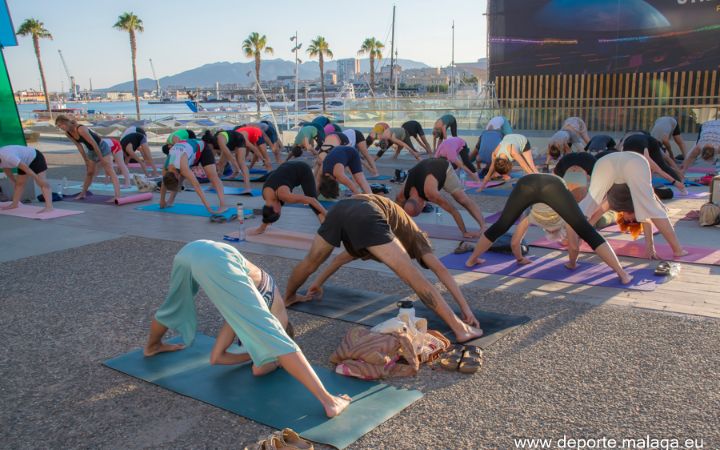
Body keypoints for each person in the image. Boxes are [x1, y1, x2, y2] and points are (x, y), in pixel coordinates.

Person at [143, 240, 351, 418]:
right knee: (277, 340)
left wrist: (251, 355)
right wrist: (274, 358)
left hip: (192, 250)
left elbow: (217, 358)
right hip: (218, 259)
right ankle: (330, 402)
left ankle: (152, 347)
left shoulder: (238, 307)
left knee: (173, 305)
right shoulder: (275, 315)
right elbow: (267, 357)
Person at [284, 194, 485, 343]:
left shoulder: (378, 238)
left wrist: (317, 284)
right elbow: (441, 270)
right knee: (414, 276)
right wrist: (465, 310)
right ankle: (460, 330)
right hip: (366, 211)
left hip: (341, 208)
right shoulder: (417, 238)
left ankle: (289, 296)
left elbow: (338, 260)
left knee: (310, 261)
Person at [464, 173, 632, 283]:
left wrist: (520, 259)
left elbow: (515, 243)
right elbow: (573, 246)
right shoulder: (565, 220)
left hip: (527, 182)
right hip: (552, 185)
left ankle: (472, 259)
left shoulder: (532, 217)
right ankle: (622, 274)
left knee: (501, 225)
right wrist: (572, 264)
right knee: (586, 230)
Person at [578, 151, 687, 259]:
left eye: (628, 221)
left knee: (589, 203)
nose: (631, 219)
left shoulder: (613, 204)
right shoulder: (634, 205)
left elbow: (593, 218)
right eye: (634, 221)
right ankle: (678, 250)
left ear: (622, 218)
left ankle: (572, 236)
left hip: (610, 162)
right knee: (590, 202)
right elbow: (647, 218)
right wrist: (650, 247)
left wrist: (581, 237)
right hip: (626, 161)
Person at [396, 158, 486, 239]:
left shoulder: (431, 194)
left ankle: (483, 226)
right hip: (426, 165)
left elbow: (454, 211)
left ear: (422, 205)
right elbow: (393, 213)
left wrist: (464, 232)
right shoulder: (401, 196)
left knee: (462, 199)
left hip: (442, 166)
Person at [55, 114, 123, 202]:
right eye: (59, 126)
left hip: (101, 147)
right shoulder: (68, 133)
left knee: (109, 170)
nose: (61, 128)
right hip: (91, 150)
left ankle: (117, 196)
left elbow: (94, 144)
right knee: (90, 172)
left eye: (61, 125)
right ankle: (83, 193)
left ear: (66, 122)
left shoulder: (81, 129)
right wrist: (85, 160)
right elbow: (79, 146)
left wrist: (101, 159)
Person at [250, 160, 327, 235]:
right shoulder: (266, 195)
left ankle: (325, 224)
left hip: (303, 169)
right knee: (308, 200)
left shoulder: (285, 196)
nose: (281, 210)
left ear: (277, 210)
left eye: (280, 212)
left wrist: (327, 214)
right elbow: (268, 212)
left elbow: (312, 200)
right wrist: (262, 227)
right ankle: (262, 228)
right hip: (287, 166)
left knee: (311, 200)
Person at [160, 139, 227, 213]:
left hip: (201, 149)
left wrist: (208, 208)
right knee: (180, 177)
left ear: (176, 175)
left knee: (213, 177)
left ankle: (223, 205)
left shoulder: (184, 168)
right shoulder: (166, 168)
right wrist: (162, 200)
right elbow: (164, 182)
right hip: (188, 153)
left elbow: (197, 186)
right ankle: (170, 201)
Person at [621, 133, 686, 192]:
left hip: (652, 143)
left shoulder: (644, 154)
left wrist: (675, 182)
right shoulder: (624, 153)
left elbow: (658, 170)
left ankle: (681, 186)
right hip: (634, 140)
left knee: (661, 166)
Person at [0, 145, 53, 213]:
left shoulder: (8, 156)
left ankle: (49, 207)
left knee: (42, 182)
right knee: (19, 183)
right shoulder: (3, 159)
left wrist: (37, 179)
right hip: (24, 161)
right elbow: (6, 169)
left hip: (36, 158)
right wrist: (14, 181)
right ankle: (14, 204)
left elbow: (26, 169)